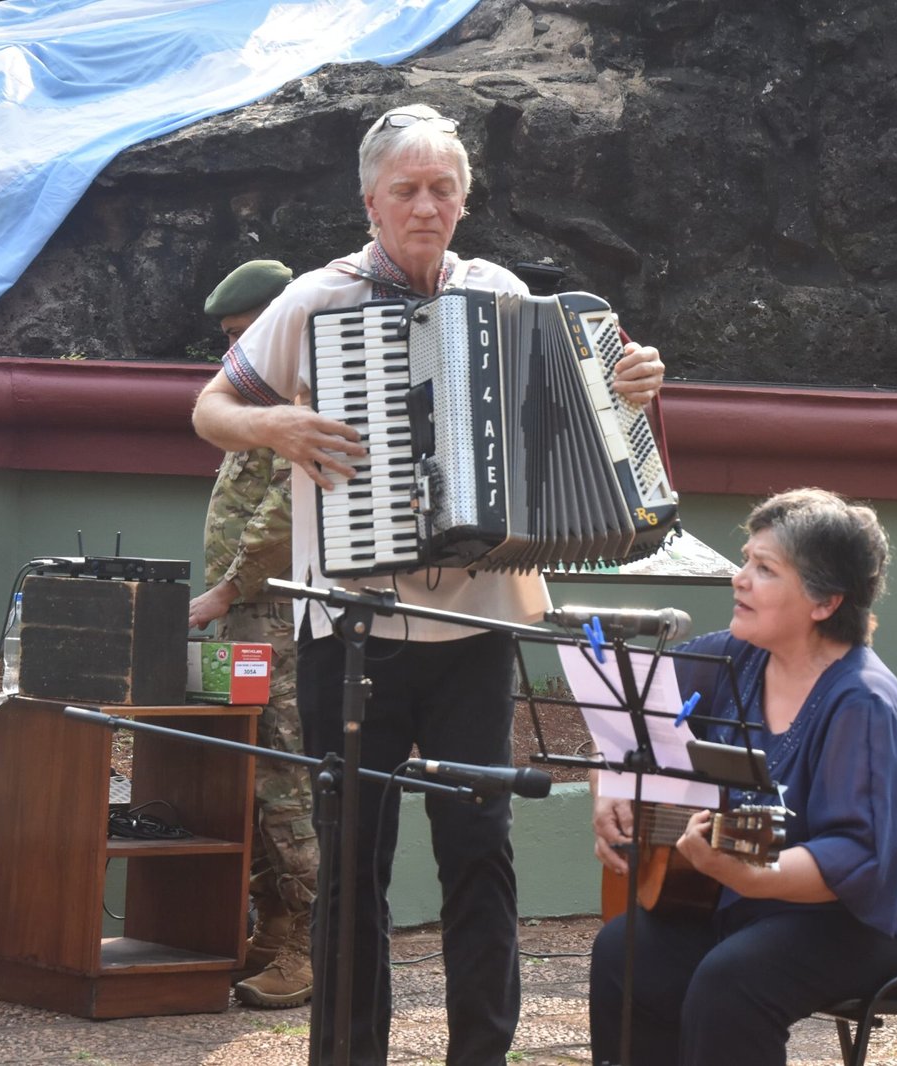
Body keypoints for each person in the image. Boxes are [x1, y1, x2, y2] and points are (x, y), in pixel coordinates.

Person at [191, 103, 665, 1065]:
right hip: (351, 626)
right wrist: (273, 427)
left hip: (479, 624)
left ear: (464, 199)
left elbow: (593, 414)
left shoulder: (505, 294)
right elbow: (210, 406)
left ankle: (479, 1055)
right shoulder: (317, 300)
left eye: (441, 188)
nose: (424, 205)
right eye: (405, 189)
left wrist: (632, 382)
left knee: (479, 855)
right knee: (352, 861)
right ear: (370, 200)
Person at [588, 488, 897, 1066]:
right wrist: (611, 784)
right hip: (765, 903)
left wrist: (744, 873)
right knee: (627, 951)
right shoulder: (734, 659)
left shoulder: (863, 704)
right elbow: (623, 714)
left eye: (764, 569)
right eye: (746, 561)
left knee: (734, 977)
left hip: (883, 921)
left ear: (824, 601)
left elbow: (855, 860)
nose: (739, 579)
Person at [188, 258, 320, 1008]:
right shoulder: (256, 394)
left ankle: (302, 945)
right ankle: (271, 929)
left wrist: (228, 590)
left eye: (245, 335)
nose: (234, 354)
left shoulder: (302, 392)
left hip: (272, 618)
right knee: (248, 771)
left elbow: (285, 511)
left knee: (282, 777)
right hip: (241, 619)